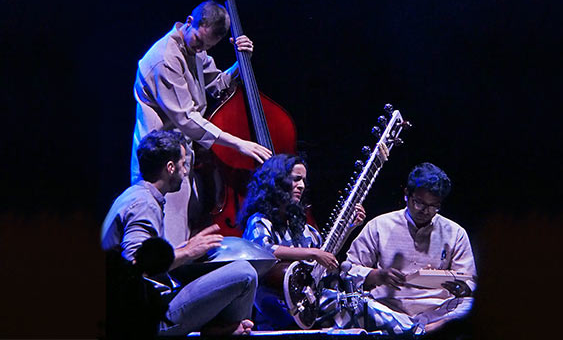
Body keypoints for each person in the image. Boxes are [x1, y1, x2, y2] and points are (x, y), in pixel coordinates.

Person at [130, 0, 272, 246]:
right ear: (189, 22)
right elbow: (186, 118)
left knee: (185, 234)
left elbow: (216, 85)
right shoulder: (165, 59)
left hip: (183, 156)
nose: (200, 50)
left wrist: (242, 62)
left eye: (207, 47)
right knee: (167, 239)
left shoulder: (195, 50)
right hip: (159, 162)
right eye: (198, 42)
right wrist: (237, 143)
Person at [102, 130, 257, 336]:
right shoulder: (144, 204)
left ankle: (221, 330)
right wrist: (187, 252)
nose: (186, 172)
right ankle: (223, 332)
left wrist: (185, 248)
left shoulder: (138, 196)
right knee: (245, 273)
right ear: (170, 168)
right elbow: (134, 268)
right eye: (184, 164)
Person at [343, 162, 477, 335]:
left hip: (437, 312)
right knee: (356, 305)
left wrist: (461, 287)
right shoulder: (379, 225)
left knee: (474, 306)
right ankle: (419, 332)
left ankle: (417, 331)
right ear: (407, 194)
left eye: (433, 206)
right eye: (419, 203)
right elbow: (348, 269)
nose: (426, 211)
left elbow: (470, 281)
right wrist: (378, 275)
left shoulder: (455, 232)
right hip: (389, 309)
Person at [239, 154, 366, 330]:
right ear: (278, 181)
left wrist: (349, 228)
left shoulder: (302, 227)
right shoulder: (260, 221)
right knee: (356, 309)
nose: (302, 186)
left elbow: (323, 260)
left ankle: (414, 330)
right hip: (277, 312)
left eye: (304, 181)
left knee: (359, 305)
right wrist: (312, 253)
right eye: (296, 179)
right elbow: (262, 249)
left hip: (308, 308)